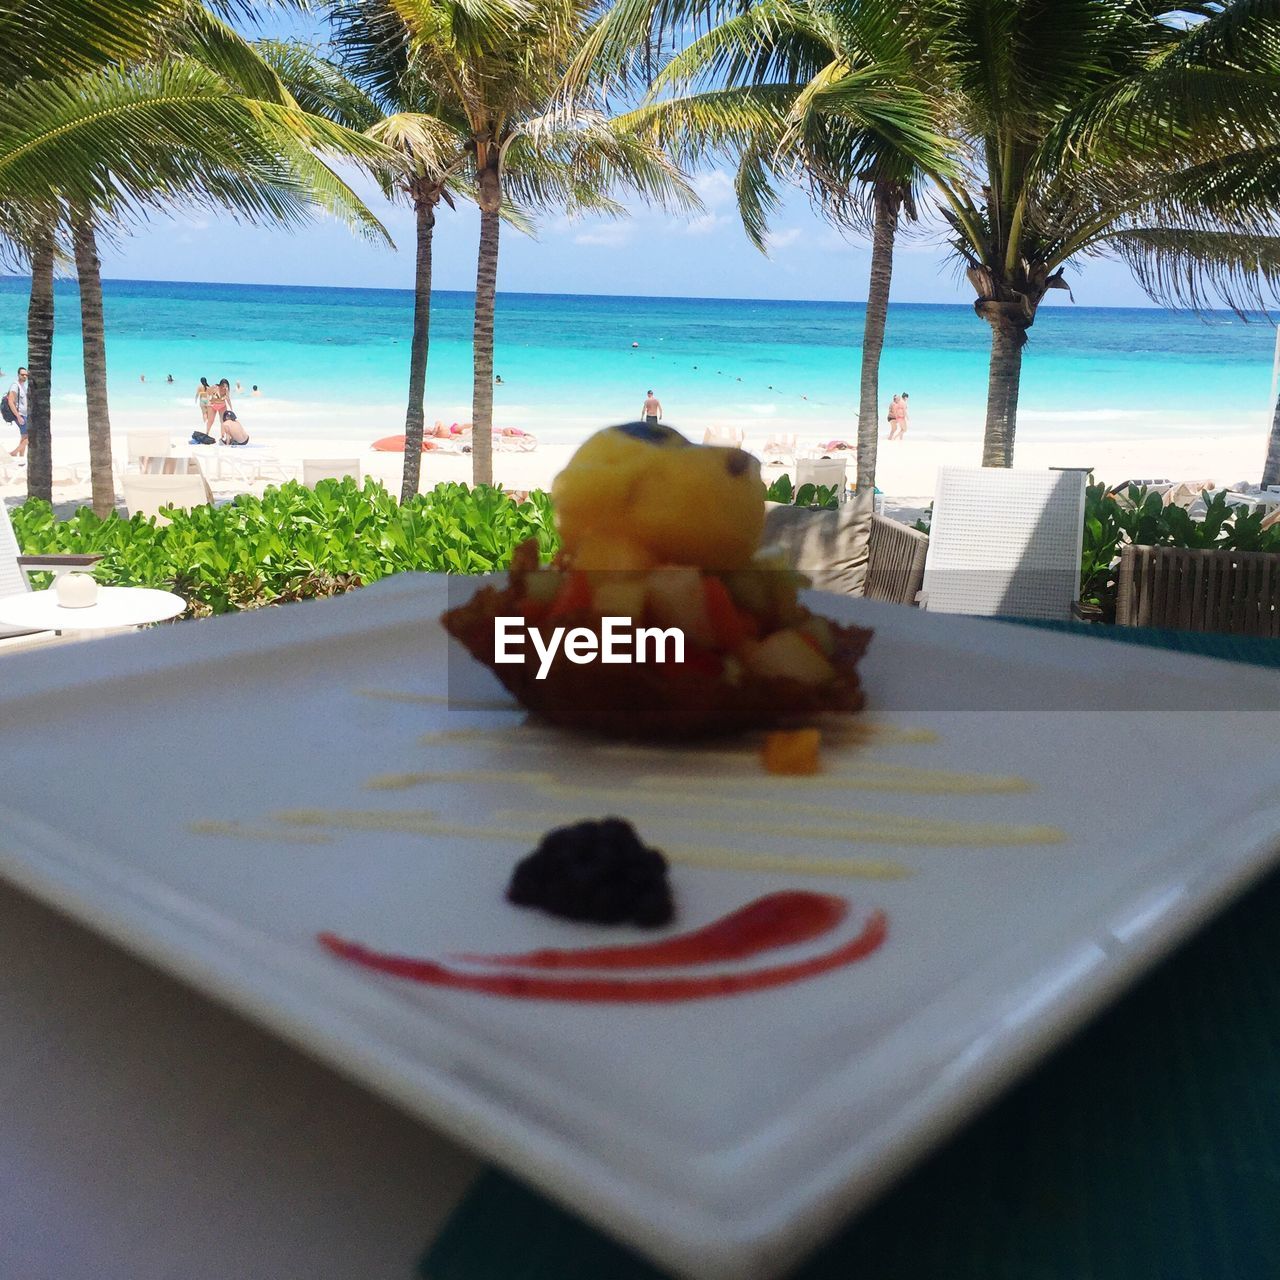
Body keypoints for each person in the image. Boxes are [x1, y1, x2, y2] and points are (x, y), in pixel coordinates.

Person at [4, 367, 28, 459]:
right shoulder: (15, 385)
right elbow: (10, 401)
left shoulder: (23, 386)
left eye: (26, 375)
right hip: (20, 415)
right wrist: (18, 416)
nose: (24, 376)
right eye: (22, 374)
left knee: (24, 437)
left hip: (25, 415)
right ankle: (14, 453)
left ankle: (21, 458)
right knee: (30, 437)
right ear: (18, 375)